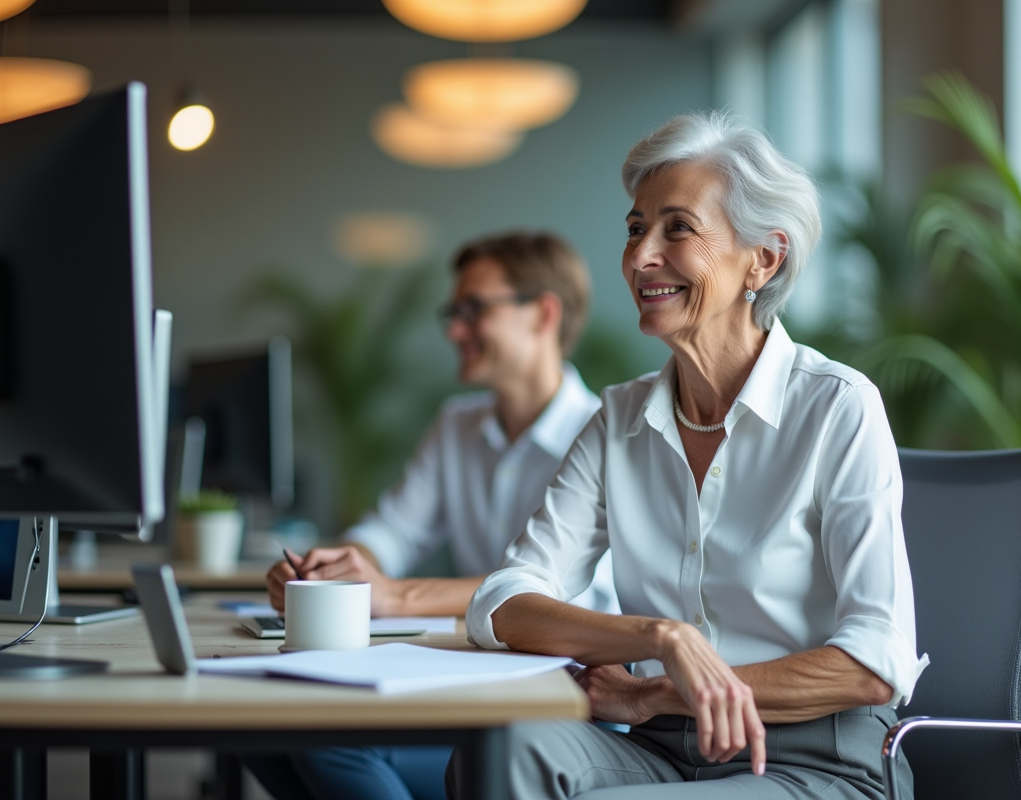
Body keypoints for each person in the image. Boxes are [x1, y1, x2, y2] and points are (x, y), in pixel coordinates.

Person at [448, 113, 929, 800]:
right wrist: (660, 636)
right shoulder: (617, 419)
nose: (642, 256)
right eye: (636, 228)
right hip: (663, 753)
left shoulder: (837, 408)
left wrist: (658, 696)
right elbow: (500, 603)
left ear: (763, 259)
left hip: (818, 760)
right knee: (499, 753)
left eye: (678, 227)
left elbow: (876, 663)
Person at [249, 231, 618, 800]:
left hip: (565, 710)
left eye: (474, 310)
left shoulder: (603, 433)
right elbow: (392, 532)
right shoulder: (458, 426)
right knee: (265, 730)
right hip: (476, 687)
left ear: (543, 313)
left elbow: (573, 595)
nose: (453, 330)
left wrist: (393, 594)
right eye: (453, 311)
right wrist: (341, 568)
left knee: (328, 741)